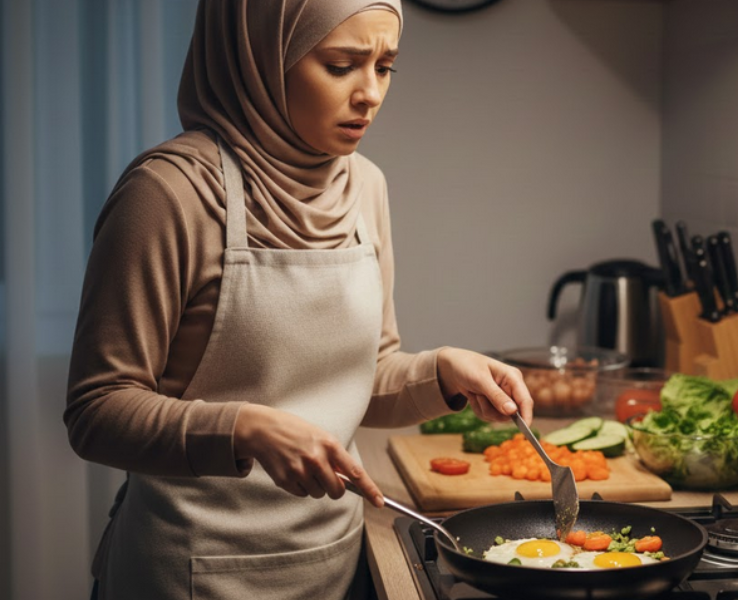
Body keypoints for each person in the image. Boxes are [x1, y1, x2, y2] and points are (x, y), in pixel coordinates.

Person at [63, 1, 534, 599]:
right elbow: (96, 411)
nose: (371, 94)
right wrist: (244, 428)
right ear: (259, 57)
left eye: (385, 66)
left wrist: (441, 371)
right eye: (341, 65)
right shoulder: (169, 193)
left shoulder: (365, 185)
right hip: (191, 571)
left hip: (333, 563)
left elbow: (364, 378)